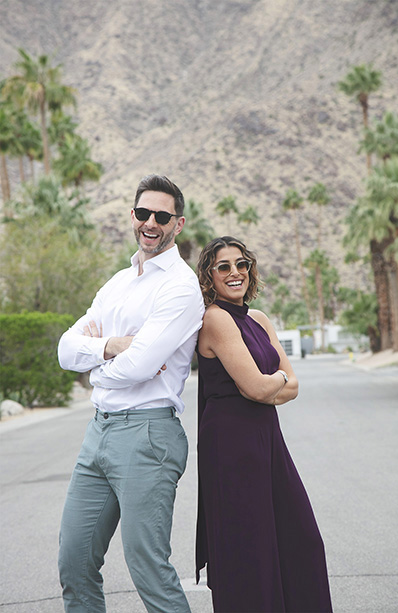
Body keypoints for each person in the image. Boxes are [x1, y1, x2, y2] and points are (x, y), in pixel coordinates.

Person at [57, 174, 204, 613]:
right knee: (75, 563)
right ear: (134, 216)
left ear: (178, 224)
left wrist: (95, 371)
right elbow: (67, 350)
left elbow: (142, 366)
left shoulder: (179, 286)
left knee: (148, 569)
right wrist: (110, 347)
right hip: (98, 433)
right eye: (144, 213)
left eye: (163, 215)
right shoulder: (117, 283)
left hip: (148, 436)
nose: (151, 223)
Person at [194, 236, 332, 612]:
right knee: (249, 549)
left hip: (267, 438)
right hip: (230, 443)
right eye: (224, 266)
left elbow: (294, 386)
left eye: (242, 264)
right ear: (209, 276)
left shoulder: (258, 319)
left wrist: (274, 384)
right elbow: (255, 387)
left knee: (300, 539)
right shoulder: (215, 318)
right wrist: (276, 382)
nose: (235, 273)